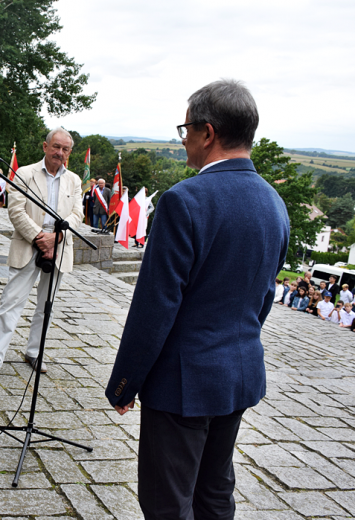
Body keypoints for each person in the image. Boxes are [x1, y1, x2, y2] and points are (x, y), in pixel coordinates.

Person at [105, 80, 289, 520]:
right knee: (214, 492)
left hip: (182, 383)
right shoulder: (274, 203)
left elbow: (156, 306)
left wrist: (126, 381)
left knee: (166, 501)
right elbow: (262, 298)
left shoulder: (183, 201)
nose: (183, 138)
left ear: (207, 132)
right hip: (238, 374)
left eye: (186, 128)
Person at [0, 127, 83, 382]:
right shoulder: (24, 173)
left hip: (58, 247)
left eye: (65, 149)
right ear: (45, 147)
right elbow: (15, 211)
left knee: (46, 308)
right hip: (28, 245)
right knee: (11, 303)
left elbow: (77, 216)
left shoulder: (74, 180)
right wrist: (40, 238)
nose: (60, 152)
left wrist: (55, 238)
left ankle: (34, 352)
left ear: (69, 152)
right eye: (56, 147)